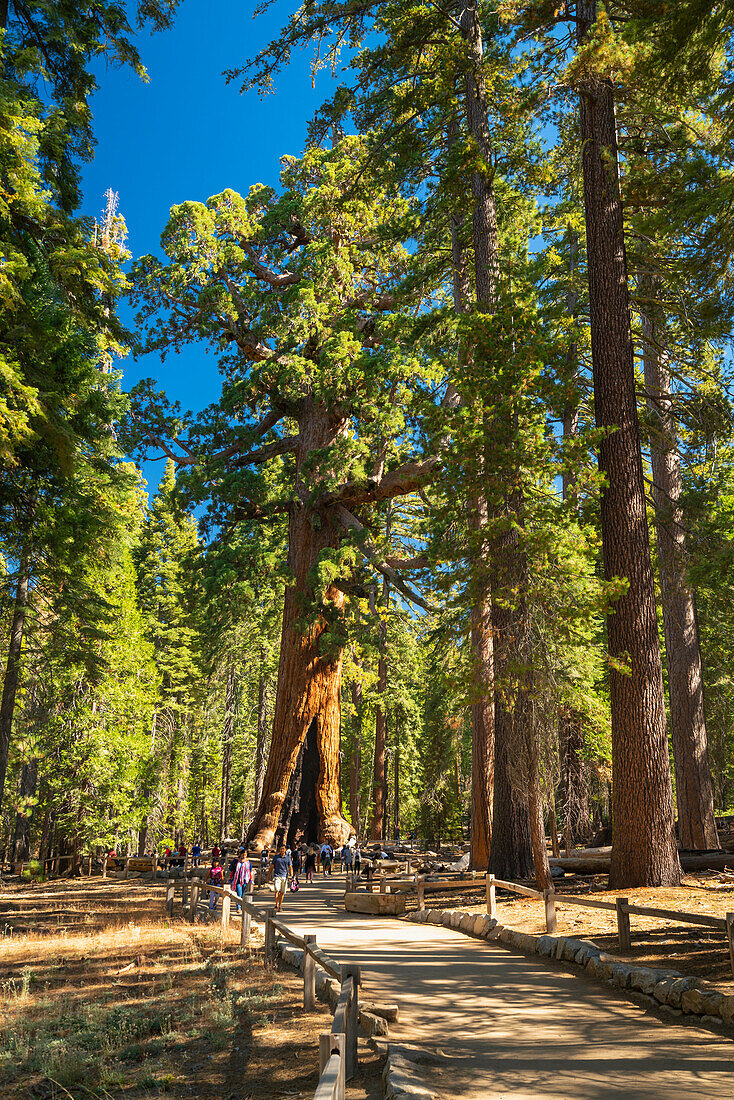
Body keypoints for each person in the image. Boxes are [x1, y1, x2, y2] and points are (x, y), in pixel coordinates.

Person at [267, 844, 292, 912]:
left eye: (283, 849)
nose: (282, 850)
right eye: (281, 849)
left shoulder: (287, 858)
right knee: (277, 890)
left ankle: (280, 905)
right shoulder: (276, 857)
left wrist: (292, 876)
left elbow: (290, 867)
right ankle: (276, 904)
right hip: (277, 876)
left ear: (285, 850)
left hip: (284, 876)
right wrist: (268, 876)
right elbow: (272, 866)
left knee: (282, 892)